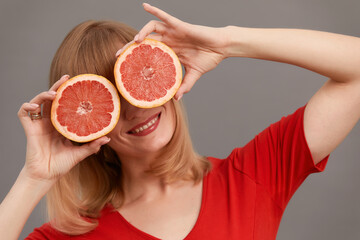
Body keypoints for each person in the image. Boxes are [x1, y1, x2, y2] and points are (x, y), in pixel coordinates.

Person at [0, 3, 359, 240]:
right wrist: (35, 177)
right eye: (108, 96)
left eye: (138, 82)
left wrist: (227, 42)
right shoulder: (70, 234)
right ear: (88, 123)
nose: (134, 109)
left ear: (164, 78)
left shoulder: (252, 177)